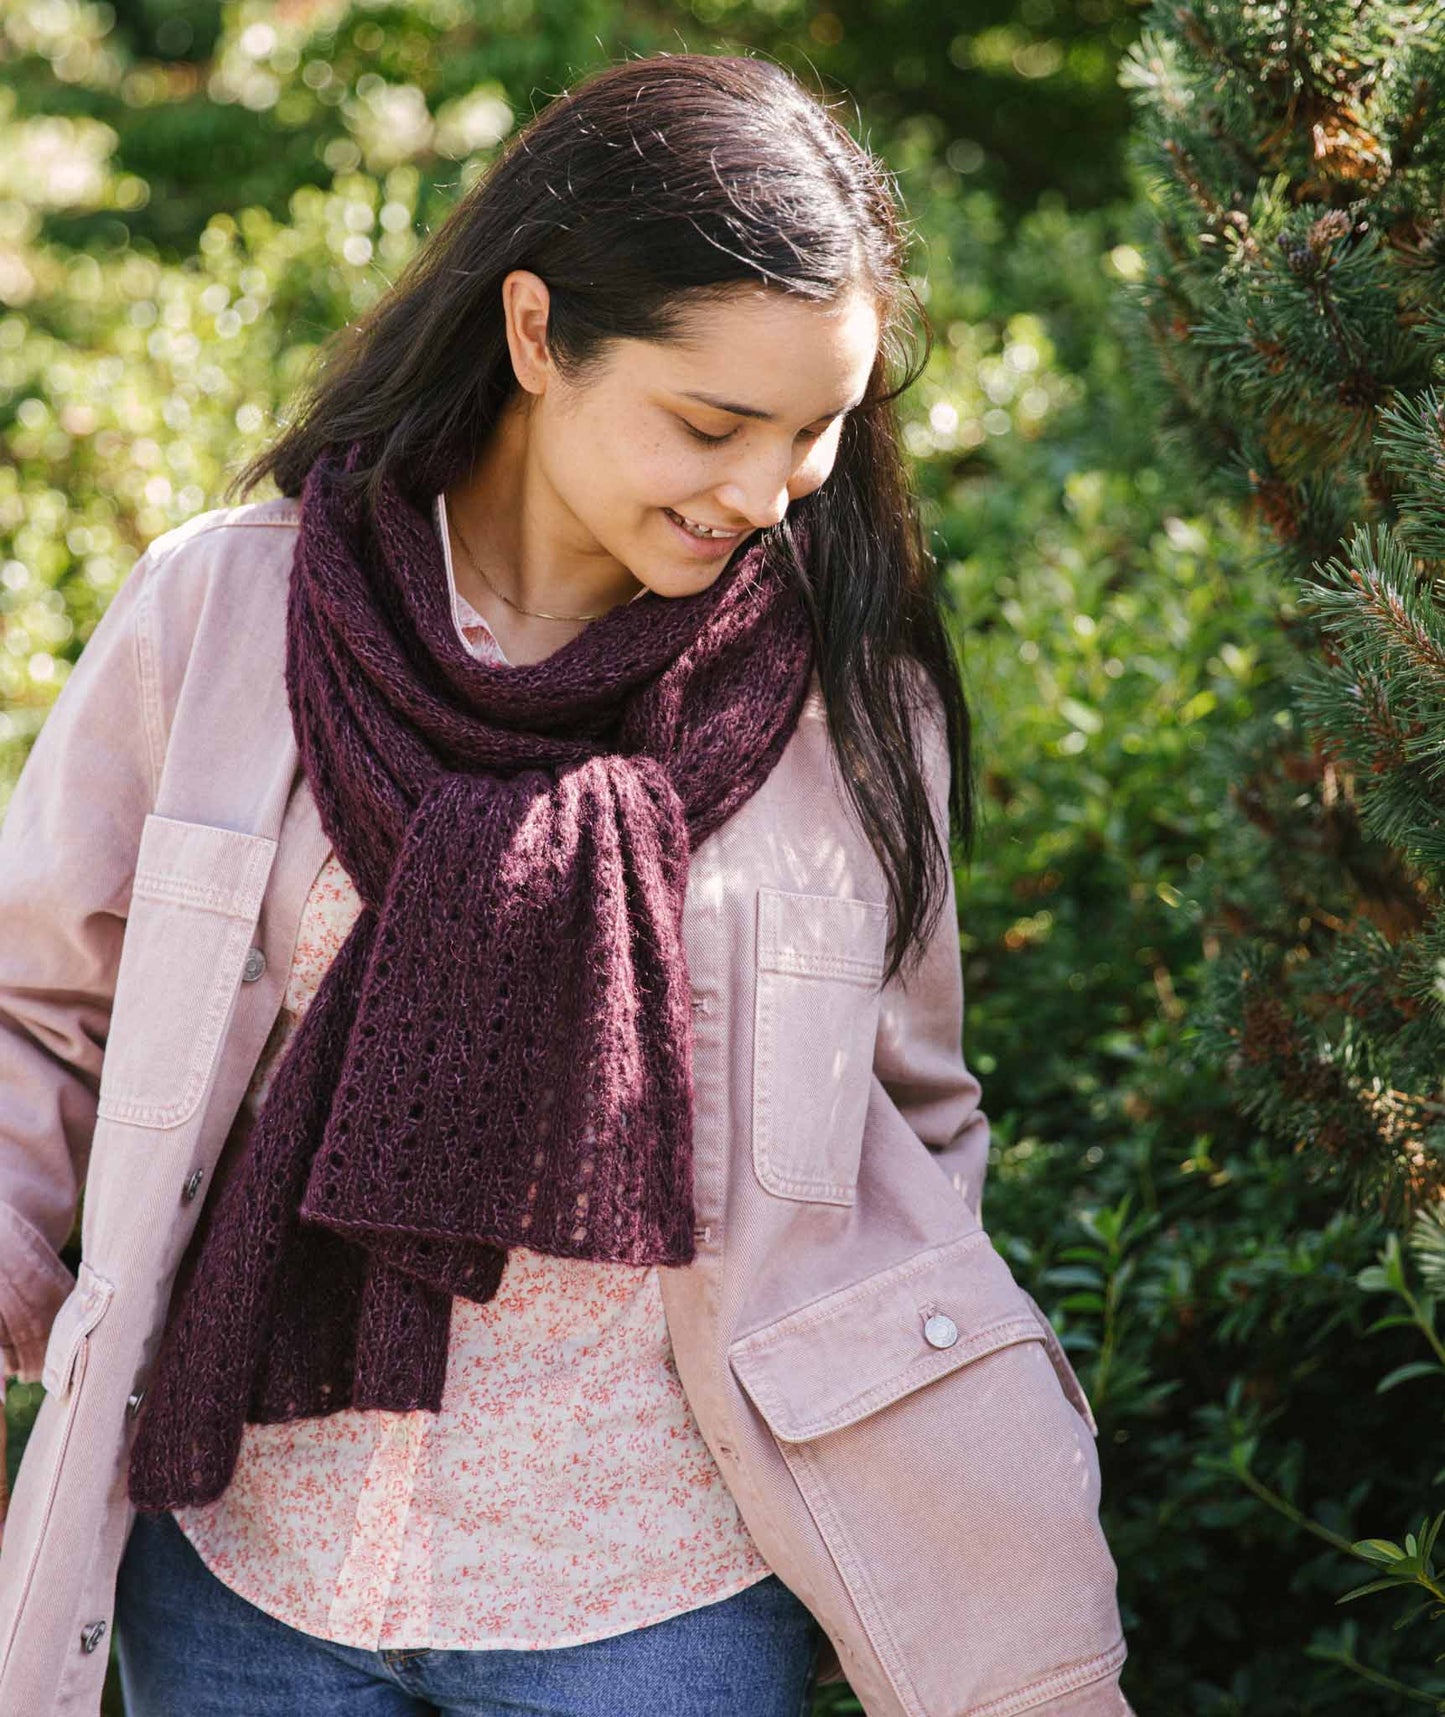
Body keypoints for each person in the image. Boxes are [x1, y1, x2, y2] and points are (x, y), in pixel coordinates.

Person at [0, 50, 1131, 1717]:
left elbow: (914, 1111)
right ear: (537, 334)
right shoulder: (227, 620)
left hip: (656, 1594)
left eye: (815, 433)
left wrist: (880, 1430)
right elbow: (40, 1012)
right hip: (246, 1558)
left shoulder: (842, 698)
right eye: (711, 421)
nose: (764, 496)